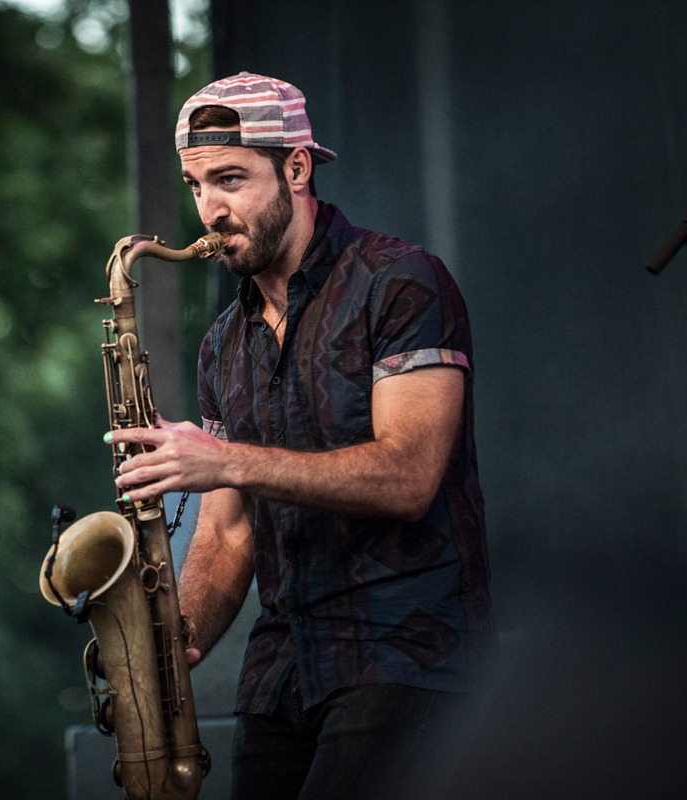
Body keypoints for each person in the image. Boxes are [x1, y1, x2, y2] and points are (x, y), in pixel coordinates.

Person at [108, 72, 493, 799]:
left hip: (403, 656)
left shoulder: (401, 282)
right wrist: (166, 641)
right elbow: (225, 537)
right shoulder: (223, 344)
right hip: (283, 671)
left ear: (296, 167)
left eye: (229, 178)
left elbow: (410, 478)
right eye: (195, 185)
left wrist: (224, 459)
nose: (210, 209)